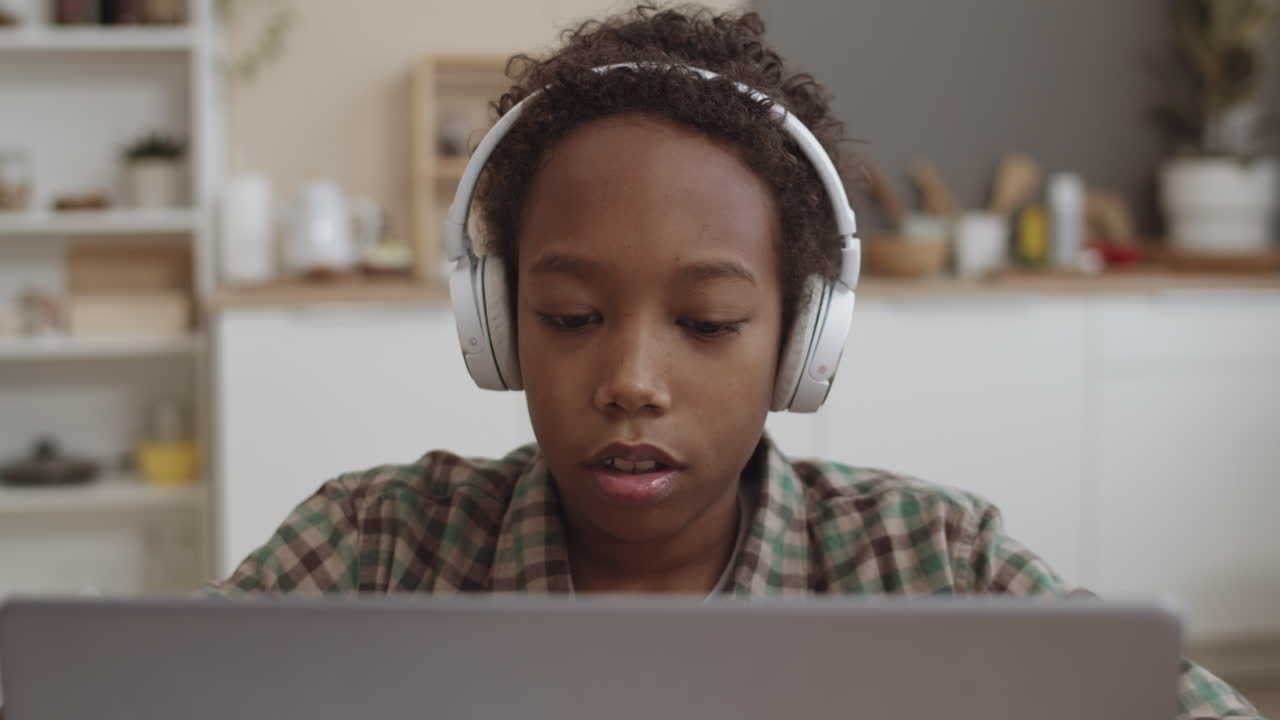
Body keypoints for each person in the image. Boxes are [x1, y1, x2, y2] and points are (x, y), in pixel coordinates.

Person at [206, 5, 1258, 718]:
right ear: (494, 327)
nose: (630, 379)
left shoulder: (930, 562)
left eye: (705, 324)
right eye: (569, 315)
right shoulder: (375, 549)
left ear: (801, 343)